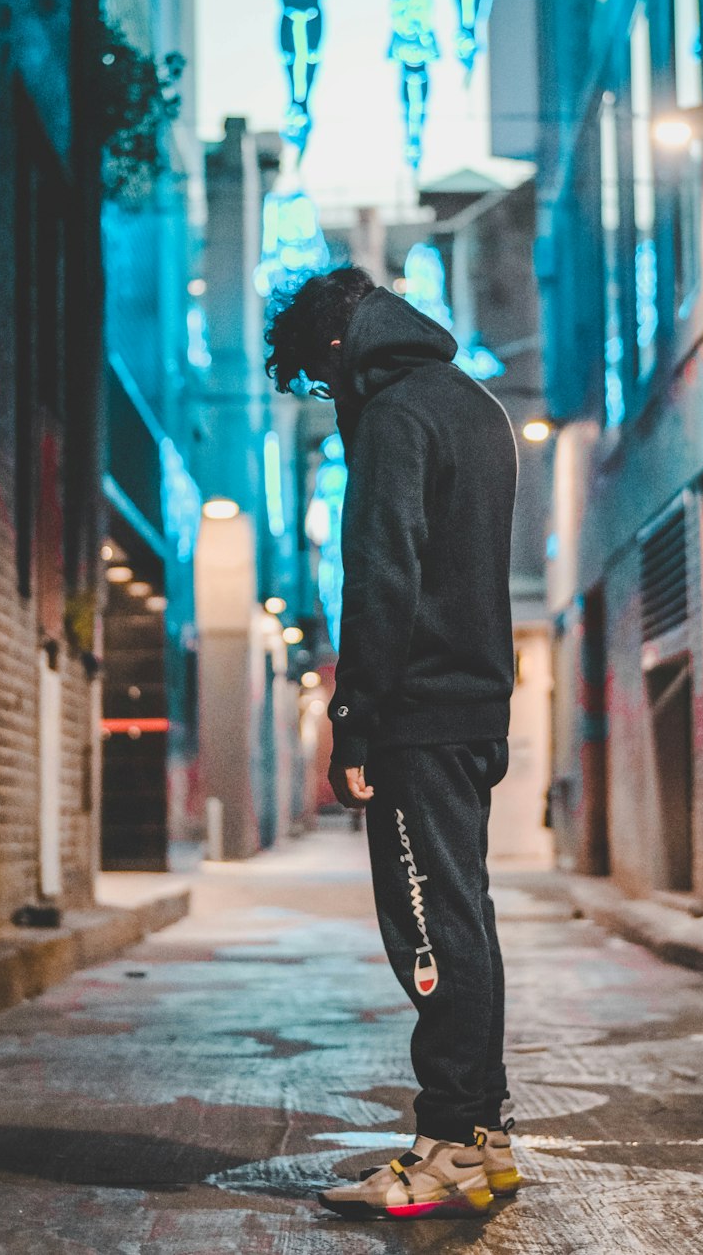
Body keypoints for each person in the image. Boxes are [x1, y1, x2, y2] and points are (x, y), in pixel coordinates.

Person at [264, 265, 522, 1221]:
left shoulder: (399, 416)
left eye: (317, 378)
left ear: (338, 345)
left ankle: (450, 1141)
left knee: (426, 927)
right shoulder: (472, 405)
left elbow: (381, 577)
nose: (326, 398)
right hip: (471, 707)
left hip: (416, 714)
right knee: (464, 919)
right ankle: (481, 1133)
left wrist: (352, 718)